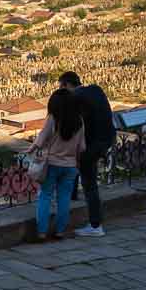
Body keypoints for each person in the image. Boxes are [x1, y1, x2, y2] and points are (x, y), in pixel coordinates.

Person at [58, 71, 116, 237]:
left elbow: (76, 126)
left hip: (92, 145)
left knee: (89, 184)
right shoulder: (95, 89)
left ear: (66, 85)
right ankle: (75, 197)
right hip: (107, 138)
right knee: (86, 176)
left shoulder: (74, 98)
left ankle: (95, 225)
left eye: (61, 87)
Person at [30, 88, 85, 242]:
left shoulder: (53, 119)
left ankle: (41, 232)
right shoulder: (79, 121)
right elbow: (82, 147)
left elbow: (41, 139)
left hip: (52, 164)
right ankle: (60, 231)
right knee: (65, 198)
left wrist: (31, 149)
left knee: (45, 196)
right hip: (71, 166)